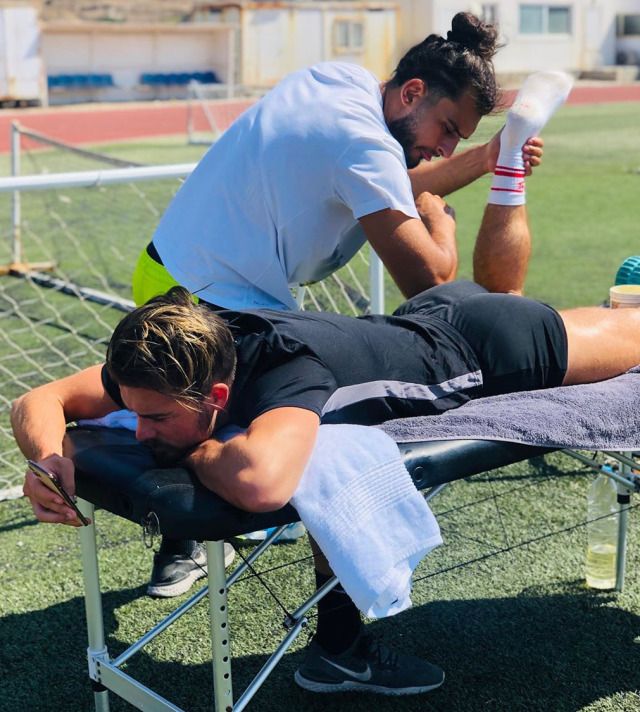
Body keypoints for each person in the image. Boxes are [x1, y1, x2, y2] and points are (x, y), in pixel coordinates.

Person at [13, 236, 640, 695]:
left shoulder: (289, 374)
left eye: (157, 420)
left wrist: (201, 450)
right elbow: (37, 398)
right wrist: (46, 460)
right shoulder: (179, 352)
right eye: (131, 412)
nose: (137, 429)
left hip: (492, 346)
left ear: (219, 400)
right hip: (414, 320)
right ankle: (342, 650)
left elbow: (262, 481)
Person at [131, 10, 556, 594]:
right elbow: (430, 279)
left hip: (167, 272)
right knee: (290, 423)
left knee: (256, 409)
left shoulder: (343, 83)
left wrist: (484, 161)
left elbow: (387, 183)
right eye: (450, 128)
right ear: (412, 93)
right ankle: (190, 540)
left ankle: (202, 536)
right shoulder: (363, 143)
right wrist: (443, 225)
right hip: (206, 303)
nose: (447, 146)